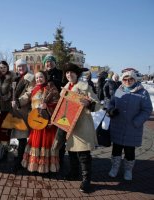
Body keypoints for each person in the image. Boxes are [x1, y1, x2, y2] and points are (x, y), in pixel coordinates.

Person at [59, 63, 100, 193]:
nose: (69, 75)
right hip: (68, 124)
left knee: (83, 153)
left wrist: (89, 103)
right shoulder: (64, 89)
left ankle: (86, 180)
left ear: (77, 74)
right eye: (67, 73)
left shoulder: (85, 87)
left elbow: (98, 104)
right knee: (71, 150)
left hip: (82, 124)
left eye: (71, 72)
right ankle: (74, 172)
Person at [107, 70, 152, 181]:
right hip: (118, 125)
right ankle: (115, 167)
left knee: (129, 151)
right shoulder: (120, 90)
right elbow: (111, 102)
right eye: (125, 79)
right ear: (122, 80)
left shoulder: (142, 92)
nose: (127, 81)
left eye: (130, 79)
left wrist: (137, 121)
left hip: (133, 128)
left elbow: (147, 110)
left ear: (135, 80)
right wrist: (111, 110)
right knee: (116, 150)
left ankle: (128, 170)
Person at [21, 71, 60, 173]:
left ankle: (46, 167)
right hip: (36, 121)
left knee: (45, 144)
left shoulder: (50, 88)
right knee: (35, 143)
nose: (39, 79)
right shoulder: (34, 89)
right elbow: (31, 104)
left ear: (45, 77)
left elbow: (57, 102)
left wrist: (47, 106)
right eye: (37, 78)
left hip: (46, 122)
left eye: (41, 77)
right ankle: (35, 166)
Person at [43, 54, 67, 167]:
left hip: (60, 108)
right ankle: (48, 159)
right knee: (48, 135)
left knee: (60, 135)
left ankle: (60, 160)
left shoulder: (61, 74)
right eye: (47, 62)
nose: (49, 63)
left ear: (55, 63)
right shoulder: (42, 75)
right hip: (45, 110)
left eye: (51, 61)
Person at [10, 58, 35, 170]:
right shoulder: (16, 78)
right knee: (19, 136)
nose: (20, 68)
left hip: (23, 111)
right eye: (19, 67)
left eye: (22, 66)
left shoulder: (30, 77)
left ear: (26, 67)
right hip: (15, 110)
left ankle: (21, 159)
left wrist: (19, 101)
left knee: (22, 136)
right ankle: (21, 157)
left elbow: (30, 93)